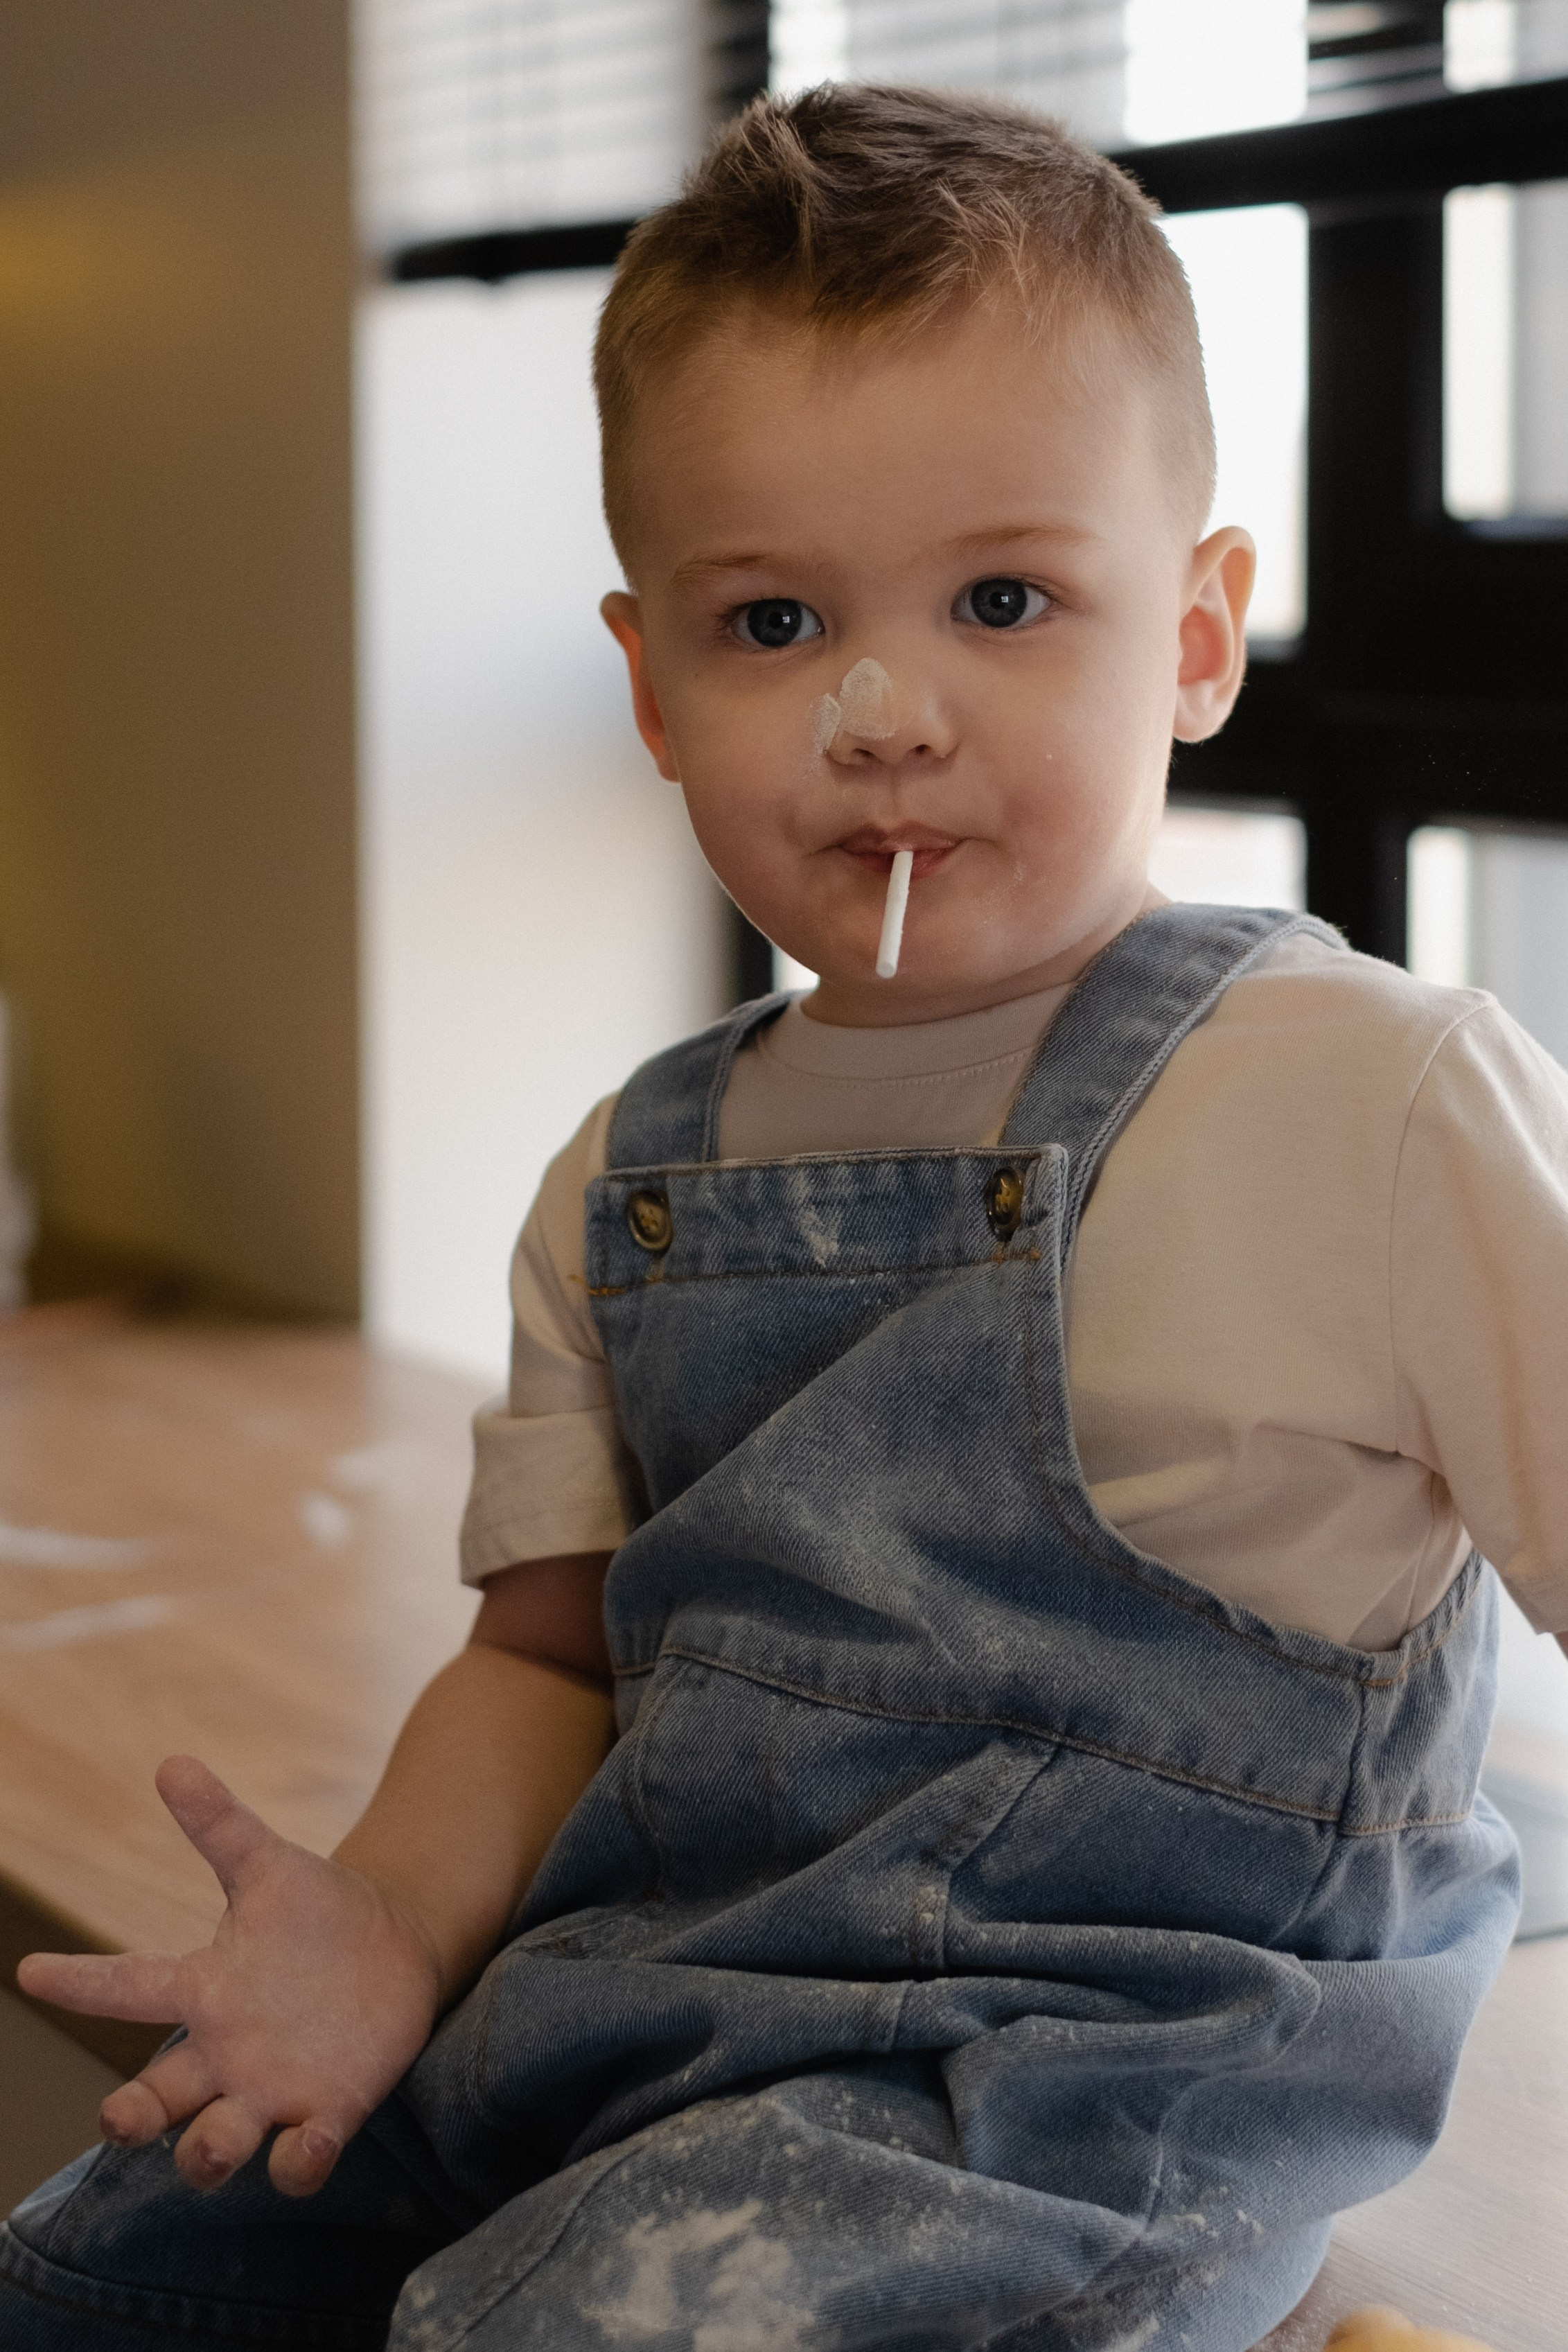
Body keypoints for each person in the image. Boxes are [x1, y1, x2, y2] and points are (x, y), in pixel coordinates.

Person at [2, 81, 1558, 2352]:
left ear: (1204, 631)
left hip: (1076, 2098)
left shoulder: (1373, 1100)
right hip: (652, 2018)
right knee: (100, 2282)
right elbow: (544, 1656)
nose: (883, 711)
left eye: (1005, 599)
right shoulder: (633, 1175)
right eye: (773, 620)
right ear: (646, 683)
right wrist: (375, 1928)